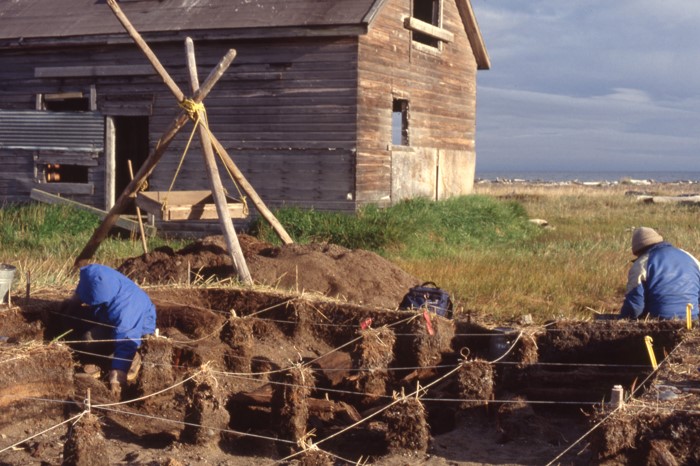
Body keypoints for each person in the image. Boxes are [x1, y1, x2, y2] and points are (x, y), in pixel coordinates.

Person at [62, 264, 156, 394]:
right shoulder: (95, 276)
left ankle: (132, 358)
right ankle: (102, 360)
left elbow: (126, 338)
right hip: (107, 317)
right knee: (81, 326)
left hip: (135, 331)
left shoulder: (126, 309)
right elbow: (83, 290)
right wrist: (70, 306)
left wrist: (118, 376)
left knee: (89, 340)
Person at [620, 227, 700, 320]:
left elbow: (635, 305)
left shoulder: (642, 264)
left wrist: (622, 320)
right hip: (691, 318)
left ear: (638, 251)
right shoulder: (689, 256)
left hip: (659, 321)